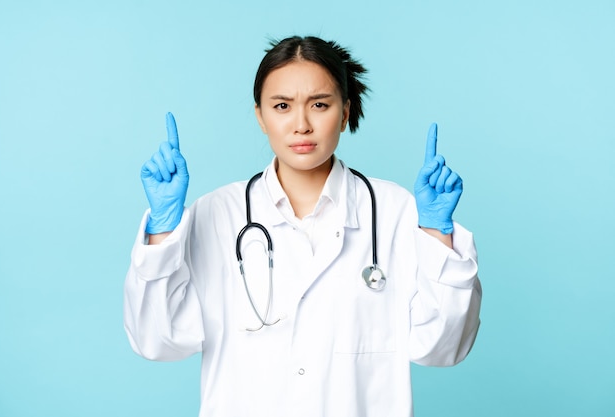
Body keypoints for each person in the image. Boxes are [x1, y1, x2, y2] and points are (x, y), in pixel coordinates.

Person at [124, 35, 482, 417]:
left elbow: (442, 348)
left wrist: (436, 233)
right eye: (282, 106)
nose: (301, 125)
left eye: (320, 105)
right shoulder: (217, 214)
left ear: (345, 112)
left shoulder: (395, 212)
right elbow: (158, 341)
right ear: (260, 116)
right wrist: (163, 229)